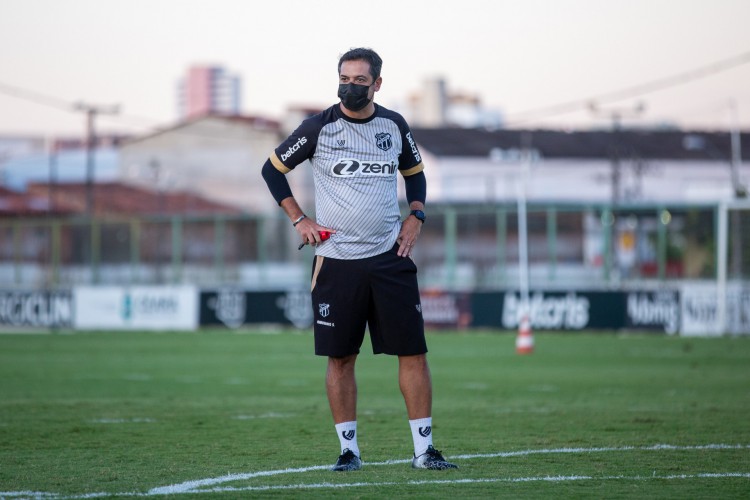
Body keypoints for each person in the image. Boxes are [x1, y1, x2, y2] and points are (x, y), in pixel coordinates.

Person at [261, 47, 457, 472]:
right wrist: (299, 219)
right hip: (336, 262)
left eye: (359, 81)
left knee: (413, 353)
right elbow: (272, 170)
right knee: (341, 358)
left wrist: (417, 215)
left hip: (390, 257)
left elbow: (415, 173)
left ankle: (424, 452)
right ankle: (349, 451)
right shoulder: (317, 128)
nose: (349, 87)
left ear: (377, 84)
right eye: (344, 79)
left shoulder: (393, 124)